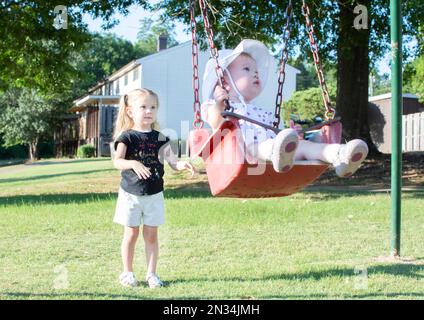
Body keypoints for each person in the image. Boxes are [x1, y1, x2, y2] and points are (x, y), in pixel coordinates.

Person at [201, 39, 368, 177]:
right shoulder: (217, 106)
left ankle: (340, 156)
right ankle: (278, 152)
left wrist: (292, 136)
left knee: (305, 147)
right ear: (224, 82)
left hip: (272, 152)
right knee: (258, 147)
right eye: (247, 69)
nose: (256, 73)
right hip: (243, 154)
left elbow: (275, 133)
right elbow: (215, 123)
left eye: (256, 70)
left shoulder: (259, 112)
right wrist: (218, 104)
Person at [113, 88, 195, 288]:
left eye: (153, 107)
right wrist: (133, 163)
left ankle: (151, 274)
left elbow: (173, 162)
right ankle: (128, 273)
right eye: (143, 107)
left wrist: (182, 165)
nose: (149, 111)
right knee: (131, 234)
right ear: (131, 111)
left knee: (151, 235)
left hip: (154, 194)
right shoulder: (127, 137)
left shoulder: (161, 138)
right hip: (130, 194)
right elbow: (118, 161)